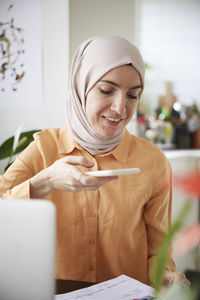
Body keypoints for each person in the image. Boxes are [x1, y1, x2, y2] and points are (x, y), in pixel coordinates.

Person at [0, 36, 189, 287]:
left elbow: (158, 251)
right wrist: (45, 181)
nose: (120, 108)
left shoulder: (153, 161)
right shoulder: (44, 149)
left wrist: (165, 275)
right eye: (106, 90)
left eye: (132, 96)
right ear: (81, 87)